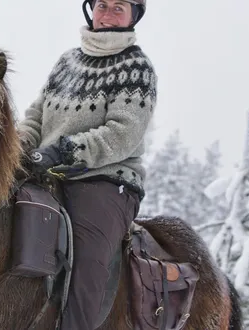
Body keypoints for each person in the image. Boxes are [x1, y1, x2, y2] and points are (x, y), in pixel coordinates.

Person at [17, 0, 156, 329]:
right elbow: (35, 117)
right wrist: (21, 147)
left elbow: (122, 134)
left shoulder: (136, 67)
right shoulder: (67, 62)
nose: (107, 16)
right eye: (102, 6)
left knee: (87, 254)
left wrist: (64, 151)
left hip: (105, 181)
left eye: (118, 8)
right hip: (46, 171)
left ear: (133, 15)